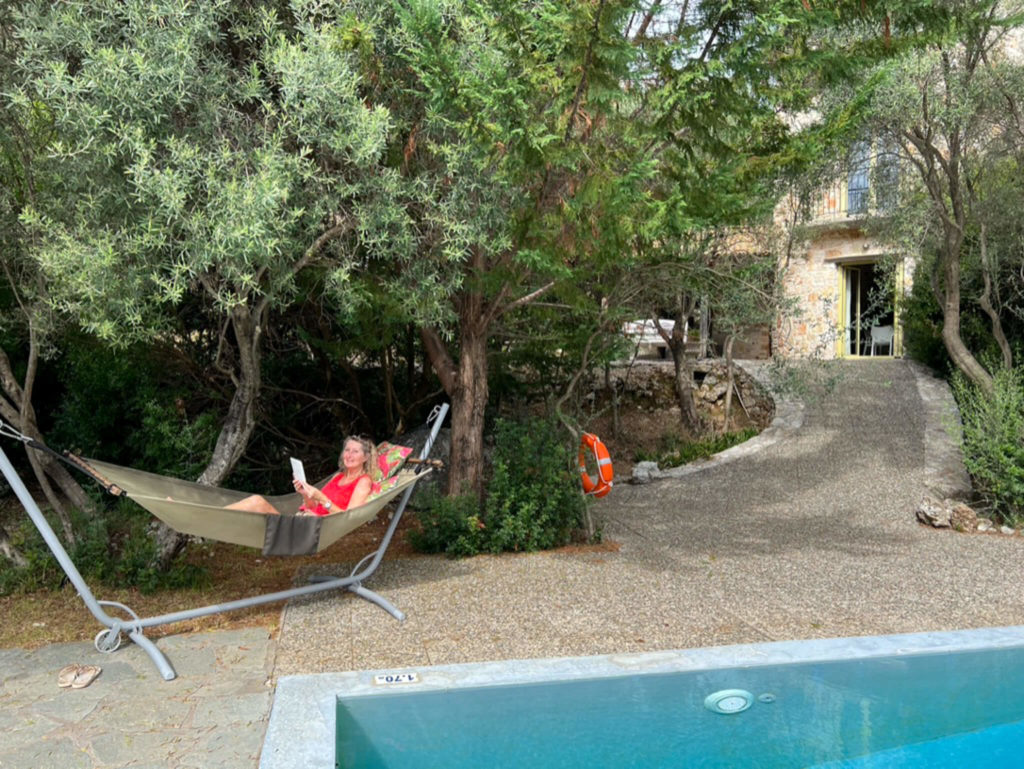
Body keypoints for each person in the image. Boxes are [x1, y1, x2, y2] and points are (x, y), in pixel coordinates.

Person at [225, 436, 376, 516]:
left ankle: (209, 517)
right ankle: (211, 517)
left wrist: (322, 498)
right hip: (302, 520)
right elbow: (313, 507)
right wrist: (306, 495)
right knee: (255, 504)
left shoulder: (363, 482)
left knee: (257, 502)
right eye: (347, 450)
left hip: (313, 530)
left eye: (355, 452)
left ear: (365, 457)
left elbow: (349, 518)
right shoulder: (337, 477)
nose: (349, 455)